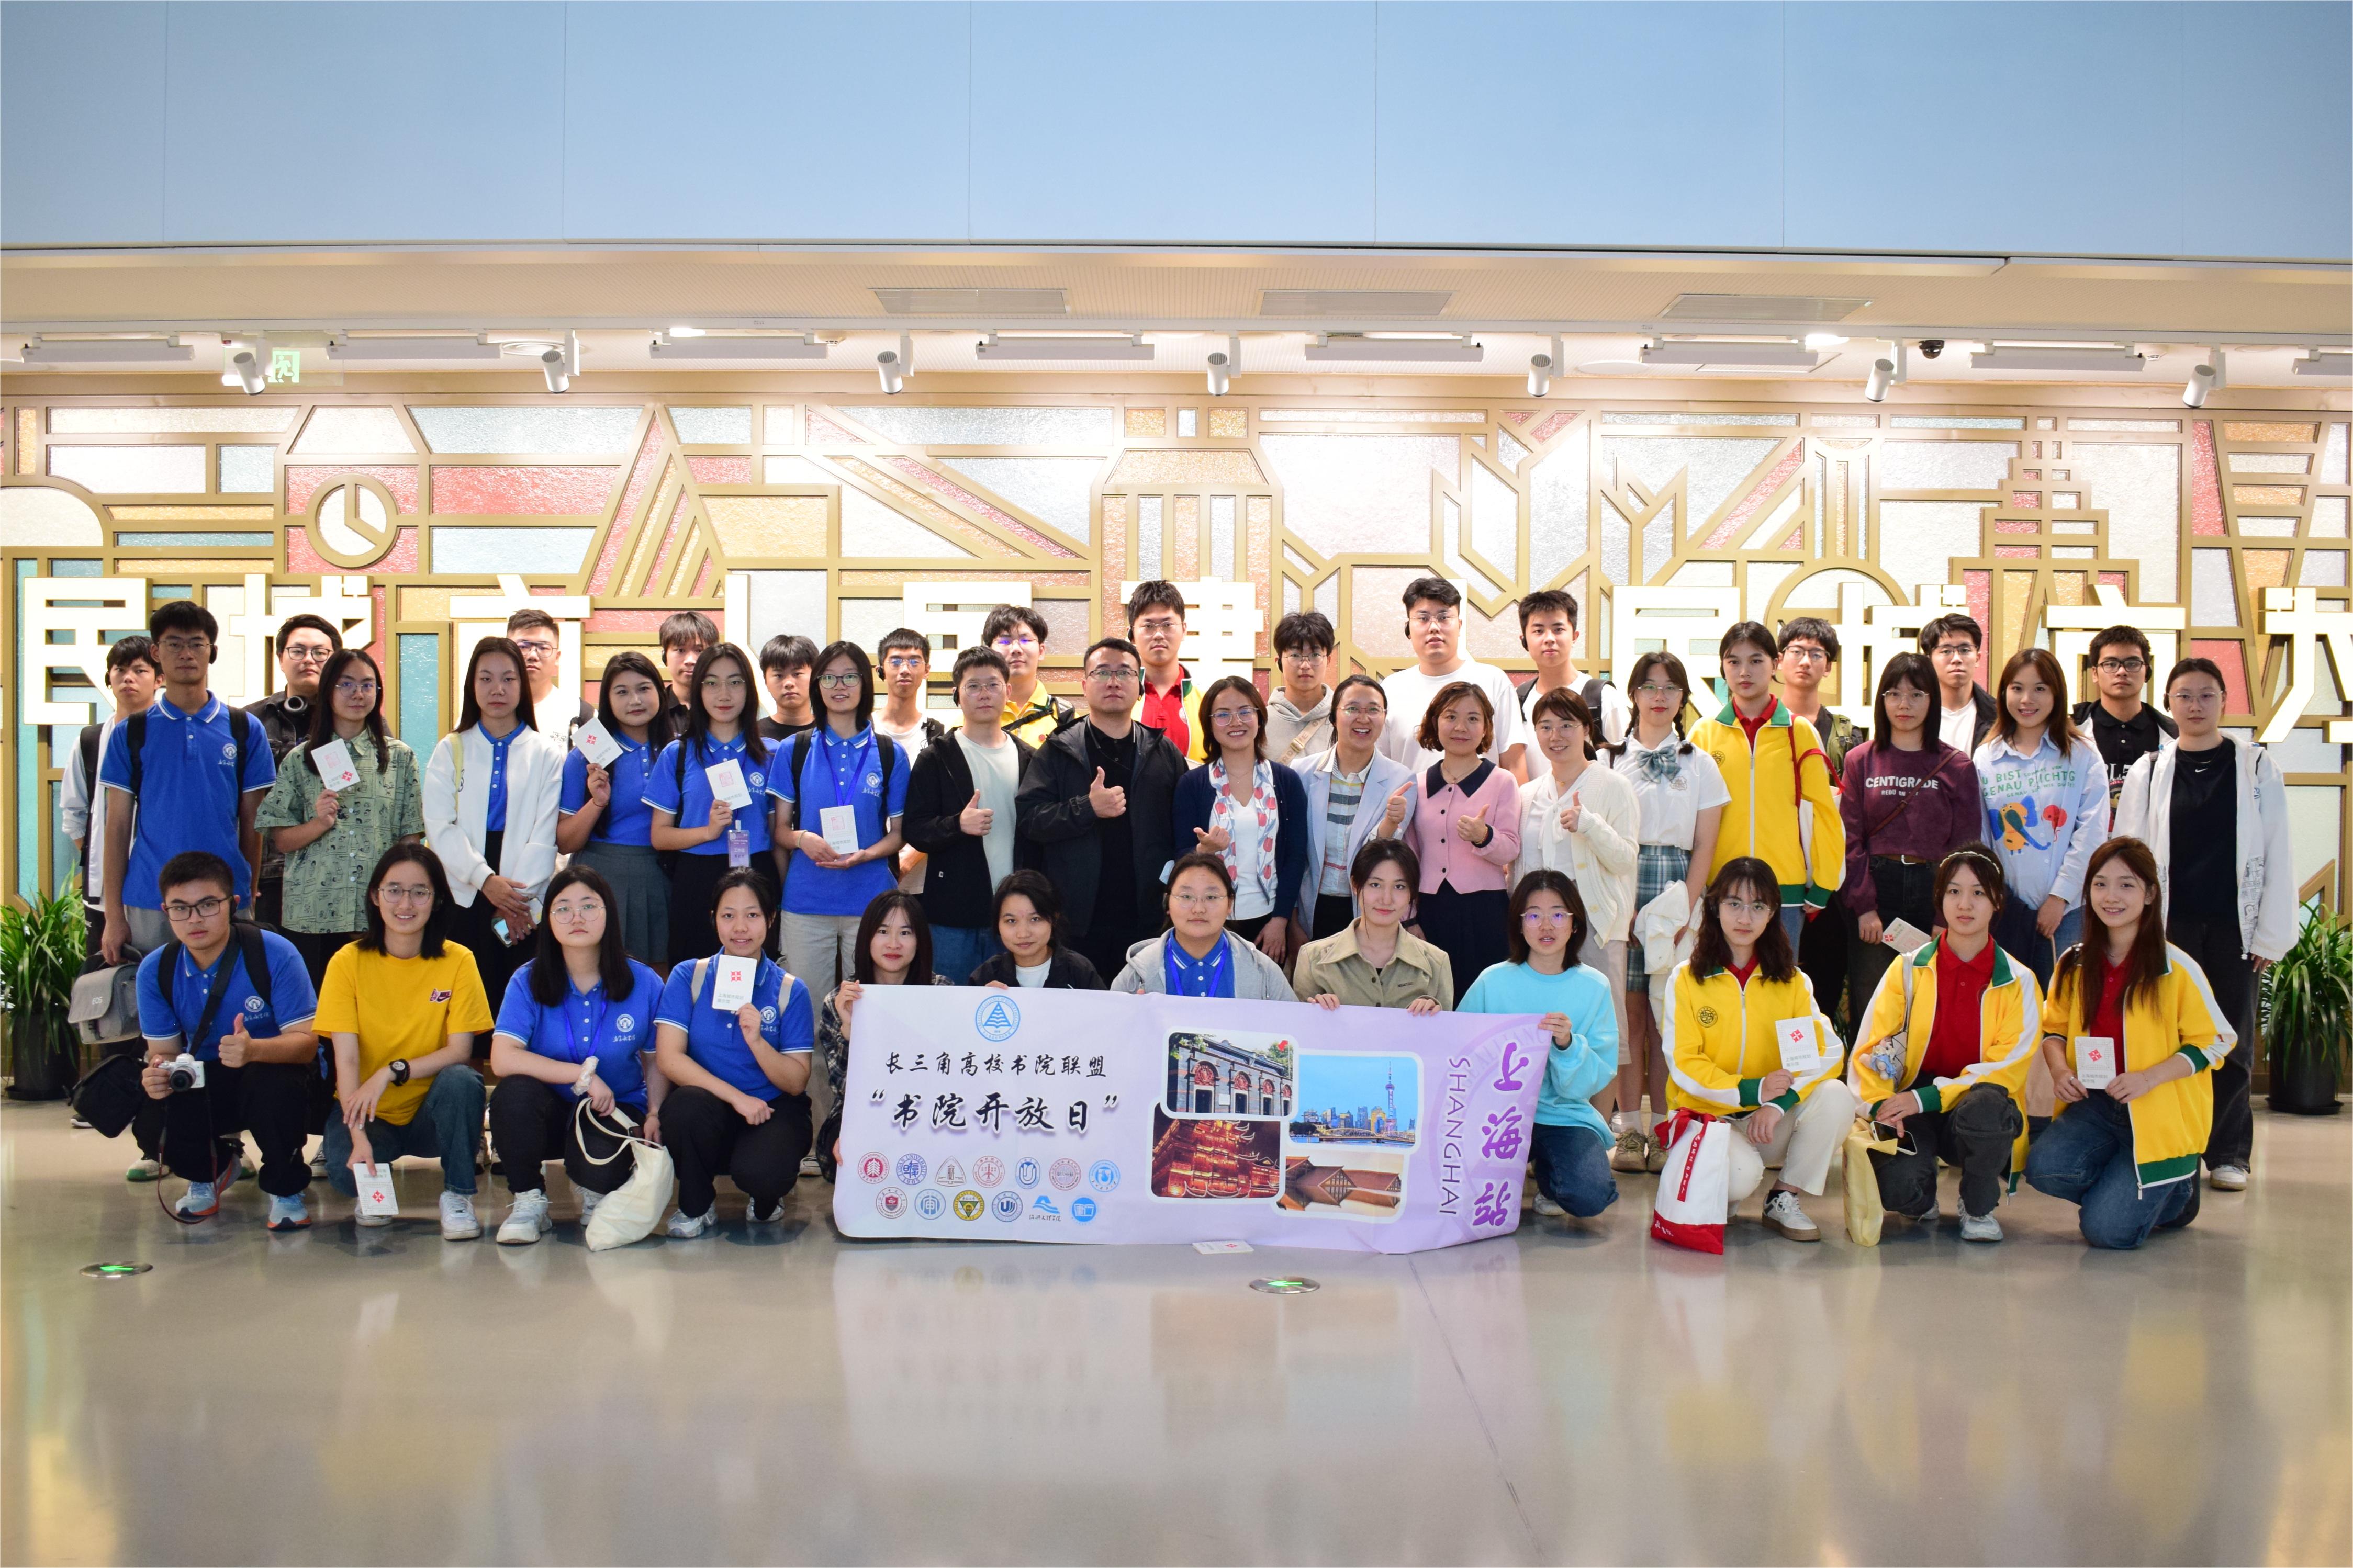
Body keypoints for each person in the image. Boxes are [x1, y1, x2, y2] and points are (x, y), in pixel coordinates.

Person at [2114, 657, 2294, 1193]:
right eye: (2184, 696)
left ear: (2223, 701)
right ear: (2168, 704)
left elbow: (2278, 848)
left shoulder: (2255, 765)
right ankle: (2175, 1147)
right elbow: (2126, 852)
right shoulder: (2149, 769)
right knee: (2165, 1040)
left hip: (2234, 926)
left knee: (2231, 1040)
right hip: (2167, 927)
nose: (2195, 706)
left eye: (2206, 695)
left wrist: (2270, 933)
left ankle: (2228, 1153)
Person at [2026, 837, 2232, 1247]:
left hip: (2157, 1110)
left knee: (2106, 1233)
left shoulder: (2177, 968)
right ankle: (2140, 1189)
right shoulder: (2074, 962)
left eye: (2127, 885)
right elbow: (2054, 1031)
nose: (2111, 896)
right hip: (2099, 1105)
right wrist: (2060, 1070)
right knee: (2042, 1167)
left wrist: (2148, 1078)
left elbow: (2215, 1042)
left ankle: (2176, 1191)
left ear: (2150, 894)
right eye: (2100, 884)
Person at [1849, 845, 2040, 1242]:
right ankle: (1921, 1197)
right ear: (1940, 898)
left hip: (1973, 1106)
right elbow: (1871, 1047)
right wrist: (1882, 1105)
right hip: (1912, 1105)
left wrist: (1926, 1099)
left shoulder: (2019, 981)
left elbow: (2006, 1070)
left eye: (1979, 893)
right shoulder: (1908, 969)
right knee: (1899, 1189)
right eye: (1954, 891)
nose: (1964, 904)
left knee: (1988, 1104)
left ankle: (1978, 1204)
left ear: (1997, 901)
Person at [1662, 856, 1856, 1242]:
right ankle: (1724, 1190)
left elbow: (1827, 1053)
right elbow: (1685, 1064)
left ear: (1772, 913)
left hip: (1767, 1123)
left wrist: (1777, 1103)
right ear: (1715, 907)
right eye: (1734, 903)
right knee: (1739, 1177)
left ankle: (1783, 1196)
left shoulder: (1792, 982)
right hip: (1707, 1117)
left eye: (1758, 906)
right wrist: (1752, 1090)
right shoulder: (1686, 978)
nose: (1745, 917)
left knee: (1836, 1096)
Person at [315, 844, 494, 1240]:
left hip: (432, 1111)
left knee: (463, 1080)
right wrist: (358, 1137)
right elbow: (346, 1060)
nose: (406, 904)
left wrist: (391, 1072)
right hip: (369, 1113)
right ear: (376, 896)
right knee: (346, 1173)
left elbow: (460, 1051)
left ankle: (458, 1195)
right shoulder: (347, 962)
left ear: (437, 899)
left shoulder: (459, 960)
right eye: (394, 890)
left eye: (420, 892)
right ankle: (373, 1189)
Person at [133, 851, 318, 1228]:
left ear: (232, 904)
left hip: (275, 1069)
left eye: (208, 905)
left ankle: (285, 1188)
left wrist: (254, 1049)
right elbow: (164, 1053)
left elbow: (306, 1043)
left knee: (273, 1084)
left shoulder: (274, 953)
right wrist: (157, 1072)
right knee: (155, 1111)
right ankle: (212, 1171)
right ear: (165, 911)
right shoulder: (156, 969)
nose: (195, 919)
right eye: (180, 908)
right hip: (206, 1075)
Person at [486, 865, 666, 1245]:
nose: (577, 917)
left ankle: (596, 1190)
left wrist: (654, 1113)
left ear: (609, 913)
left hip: (613, 1109)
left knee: (602, 1170)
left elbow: (655, 1059)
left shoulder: (644, 981)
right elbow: (502, 1059)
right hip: (546, 1111)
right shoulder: (527, 979)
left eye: (589, 906)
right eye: (563, 908)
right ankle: (529, 1200)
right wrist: (580, 1075)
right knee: (512, 1095)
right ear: (549, 919)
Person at [99, 599, 275, 962]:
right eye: (174, 643)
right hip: (150, 898)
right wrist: (114, 916)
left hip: (225, 898)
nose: (186, 653)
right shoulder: (131, 732)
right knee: (155, 995)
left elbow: (253, 823)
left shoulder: (245, 728)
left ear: (212, 652)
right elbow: (116, 827)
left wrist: (248, 890)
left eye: (197, 643)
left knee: (227, 995)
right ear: (156, 652)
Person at [1606, 652, 1729, 1172]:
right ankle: (1629, 1132)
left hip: (1678, 888)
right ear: (1633, 694)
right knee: (1628, 1016)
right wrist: (1621, 907)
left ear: (1683, 699)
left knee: (1666, 1019)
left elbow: (1705, 845)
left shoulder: (1700, 763)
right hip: (1621, 884)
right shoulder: (1608, 759)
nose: (1659, 697)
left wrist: (1684, 910)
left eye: (1670, 688)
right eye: (1649, 686)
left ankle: (1662, 1131)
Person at [1015, 636, 1186, 985]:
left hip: (1148, 917)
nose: (1113, 682)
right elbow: (1030, 820)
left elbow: (1182, 828)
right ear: (1085, 685)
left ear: (1139, 685)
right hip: (1075, 920)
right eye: (1102, 672)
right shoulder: (1058, 750)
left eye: (1124, 672)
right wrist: (1087, 808)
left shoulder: (1163, 752)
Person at [652, 868, 814, 1235]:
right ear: (714, 920)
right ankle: (696, 1204)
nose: (740, 927)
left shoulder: (791, 989)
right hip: (708, 1106)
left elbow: (795, 1082)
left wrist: (757, 1041)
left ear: (770, 919)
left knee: (765, 1172)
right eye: (728, 915)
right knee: (684, 1108)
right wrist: (737, 1098)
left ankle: (767, 1195)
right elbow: (669, 1058)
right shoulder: (689, 976)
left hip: (771, 1109)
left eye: (752, 915)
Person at [253, 648, 425, 988]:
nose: (357, 694)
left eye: (367, 685)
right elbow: (281, 840)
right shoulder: (300, 759)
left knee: (376, 1005)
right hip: (311, 911)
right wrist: (319, 823)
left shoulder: (399, 758)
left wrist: (405, 898)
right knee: (317, 1007)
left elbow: (410, 841)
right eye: (346, 684)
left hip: (377, 910)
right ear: (328, 690)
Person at [1457, 870, 1620, 1220]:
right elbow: (1459, 1048)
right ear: (1519, 924)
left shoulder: (1595, 986)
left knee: (1589, 1196)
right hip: (1497, 1116)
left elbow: (1598, 1074)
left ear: (1575, 924)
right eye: (1533, 915)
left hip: (1564, 1115)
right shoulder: (1492, 981)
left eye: (1558, 914)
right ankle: (1519, 1169)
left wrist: (1568, 1045)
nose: (1546, 926)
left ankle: (1548, 1176)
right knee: (1463, 1191)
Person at [1837, 651, 1985, 1033]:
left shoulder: (1957, 766)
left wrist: (1944, 915)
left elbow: (1966, 849)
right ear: (1882, 700)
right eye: (1895, 694)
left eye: (1917, 694)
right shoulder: (1860, 760)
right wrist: (1864, 907)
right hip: (1876, 887)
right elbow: (1850, 839)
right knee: (1873, 1004)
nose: (1905, 705)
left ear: (1932, 701)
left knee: (1930, 1002)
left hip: (1934, 888)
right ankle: (1868, 1074)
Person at [62, 635, 163, 1172]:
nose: (129, 677)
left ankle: (188, 1136)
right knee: (118, 1009)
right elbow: (76, 816)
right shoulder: (90, 741)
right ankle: (124, 1111)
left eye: (140, 669)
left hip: (166, 897)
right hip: (108, 898)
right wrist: (111, 877)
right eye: (120, 669)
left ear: (159, 678)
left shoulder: (171, 733)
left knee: (171, 1013)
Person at [1510, 688, 1638, 1110]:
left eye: (1567, 725)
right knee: (1543, 1026)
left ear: (1586, 728)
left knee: (1603, 1033)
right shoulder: (1529, 792)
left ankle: (1598, 1130)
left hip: (1595, 929)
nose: (1556, 735)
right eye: (1545, 726)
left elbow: (1626, 859)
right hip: (1541, 933)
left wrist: (1590, 825)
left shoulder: (1614, 786)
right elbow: (1521, 868)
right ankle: (1541, 1125)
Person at [422, 636, 564, 1013]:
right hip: (463, 887)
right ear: (472, 685)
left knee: (519, 1000)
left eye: (508, 679)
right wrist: (485, 880)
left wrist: (515, 902)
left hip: (523, 895)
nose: (497, 689)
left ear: (522, 685)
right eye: (486, 678)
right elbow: (439, 826)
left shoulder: (546, 753)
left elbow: (545, 832)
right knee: (462, 1001)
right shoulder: (450, 748)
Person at [1688, 621, 1845, 949]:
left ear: (1775, 663)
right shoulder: (1704, 733)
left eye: (1756, 661)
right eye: (1734, 661)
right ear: (1723, 667)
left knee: (1779, 978)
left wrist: (1824, 883)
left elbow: (1823, 811)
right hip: (1720, 888)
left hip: (1784, 889)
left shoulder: (1799, 731)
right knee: (1718, 978)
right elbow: (1689, 817)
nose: (1744, 672)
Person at [769, 639, 910, 1002]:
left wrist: (866, 854)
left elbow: (899, 834)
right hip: (806, 900)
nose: (839, 686)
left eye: (850, 676)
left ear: (865, 683)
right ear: (817, 686)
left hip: (871, 902)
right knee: (806, 1007)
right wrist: (802, 839)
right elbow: (779, 830)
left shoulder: (890, 753)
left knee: (866, 1006)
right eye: (829, 678)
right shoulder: (794, 749)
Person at [1974, 646, 2108, 992]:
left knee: (2063, 1005)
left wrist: (2059, 898)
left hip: (2068, 912)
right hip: (2005, 909)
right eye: (2017, 688)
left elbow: (2091, 834)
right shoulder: (1986, 757)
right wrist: (1997, 898)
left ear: (2057, 694)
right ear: (2003, 693)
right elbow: (1983, 838)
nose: (2026, 699)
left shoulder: (2082, 754)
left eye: (2040, 689)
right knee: (2007, 1003)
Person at [903, 647, 1034, 984]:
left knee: (1012, 1006)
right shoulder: (937, 757)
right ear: (957, 695)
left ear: (1008, 690)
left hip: (1017, 914)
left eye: (993, 684)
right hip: (953, 915)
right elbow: (914, 829)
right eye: (973, 686)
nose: (984, 694)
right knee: (950, 1003)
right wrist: (957, 825)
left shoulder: (1030, 758)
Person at [647, 642, 776, 972]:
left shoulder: (772, 754)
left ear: (749, 689)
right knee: (698, 978)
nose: (724, 694)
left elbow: (779, 834)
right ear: (698, 690)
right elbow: (660, 836)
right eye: (712, 683)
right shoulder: (678, 754)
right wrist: (708, 831)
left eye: (735, 682)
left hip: (758, 873)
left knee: (758, 979)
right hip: (697, 877)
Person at [813, 890, 954, 1175]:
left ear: (920, 941)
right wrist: (850, 1029)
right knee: (844, 1149)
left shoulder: (943, 992)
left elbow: (954, 1076)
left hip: (929, 1109)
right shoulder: (840, 1000)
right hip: (865, 1109)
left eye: (905, 933)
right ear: (866, 938)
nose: (893, 944)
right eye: (882, 931)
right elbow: (844, 1089)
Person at [1173, 676, 1311, 963]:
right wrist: (1203, 851)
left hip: (1268, 921)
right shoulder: (1192, 784)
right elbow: (1179, 855)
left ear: (1260, 718)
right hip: (1209, 919)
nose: (1236, 722)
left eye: (1245, 712)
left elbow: (1296, 856)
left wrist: (1281, 920)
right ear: (1210, 725)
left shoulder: (1286, 781)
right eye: (1223, 715)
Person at [556, 650, 675, 970]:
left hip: (665, 876)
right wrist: (597, 803)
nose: (635, 700)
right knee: (602, 975)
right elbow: (565, 842)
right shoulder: (587, 754)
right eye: (621, 692)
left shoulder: (679, 749)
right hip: (601, 877)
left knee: (661, 978)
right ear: (607, 700)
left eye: (644, 689)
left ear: (660, 692)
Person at [1402, 682, 1521, 997]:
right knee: (1430, 998)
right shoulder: (1418, 784)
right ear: (1435, 722)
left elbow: (1511, 848)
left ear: (1486, 728)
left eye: (1473, 719)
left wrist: (1484, 837)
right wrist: (1409, 917)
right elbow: (1409, 859)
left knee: (1483, 998)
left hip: (1485, 910)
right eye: (1451, 717)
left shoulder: (1502, 781)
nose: (1461, 727)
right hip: (1430, 909)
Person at [1776, 617, 1865, 1033]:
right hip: (1778, 873)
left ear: (1829, 666)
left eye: (1817, 653)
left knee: (1827, 983)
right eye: (1796, 651)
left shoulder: (1848, 735)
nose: (1805, 661)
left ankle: (1824, 1062)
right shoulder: (1764, 727)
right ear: (1779, 660)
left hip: (1830, 881)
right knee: (1776, 979)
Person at [1292, 674, 1415, 945]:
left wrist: (1390, 823)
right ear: (1334, 717)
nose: (1363, 718)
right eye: (1352, 709)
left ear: (1384, 717)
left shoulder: (1401, 780)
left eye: (1373, 710)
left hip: (1367, 907)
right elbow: (1292, 851)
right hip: (1311, 905)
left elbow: (1380, 857)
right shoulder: (1302, 772)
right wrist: (1291, 918)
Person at [244, 613, 342, 930]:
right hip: (266, 877)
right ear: (280, 659)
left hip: (337, 874)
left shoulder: (357, 722)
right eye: (297, 651)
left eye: (320, 653)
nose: (308, 660)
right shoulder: (250, 722)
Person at [1295, 839, 1454, 1013]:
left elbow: (1446, 1030)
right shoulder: (1313, 958)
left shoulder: (1436, 963)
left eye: (1399, 887)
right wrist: (1316, 1012)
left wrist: (1433, 1018)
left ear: (1412, 893)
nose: (1386, 899)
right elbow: (1300, 1028)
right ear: (1356, 885)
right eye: (1375, 885)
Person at [1110, 853, 1298, 999]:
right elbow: (1111, 1030)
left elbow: (1293, 1030)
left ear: (1230, 904)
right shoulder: (1137, 973)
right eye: (1186, 897)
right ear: (1167, 903)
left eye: (1211, 897)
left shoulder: (1263, 970)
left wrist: (1315, 1013)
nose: (1198, 909)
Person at [1380, 576, 1519, 771]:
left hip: (1484, 793)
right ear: (1408, 628)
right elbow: (1380, 767)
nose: (1434, 627)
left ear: (1460, 625)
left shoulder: (1494, 681)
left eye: (1444, 617)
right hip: (1411, 793)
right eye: (1423, 618)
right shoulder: (1391, 689)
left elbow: (1514, 764)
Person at [1513, 588, 1628, 763]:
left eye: (1558, 629)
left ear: (1575, 636)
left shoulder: (1602, 697)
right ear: (1524, 640)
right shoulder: (1517, 700)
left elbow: (1626, 762)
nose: (1549, 639)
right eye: (1539, 631)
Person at [875, 627, 948, 896]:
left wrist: (908, 859)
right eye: (895, 661)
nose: (904, 669)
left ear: (927, 670)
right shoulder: (862, 730)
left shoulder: (939, 734)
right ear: (881, 670)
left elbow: (943, 807)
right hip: (869, 867)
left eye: (914, 661)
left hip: (922, 875)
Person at [2073, 624, 2176, 813]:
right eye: (2111, 664)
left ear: (2147, 672)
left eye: (2132, 664)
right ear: (2095, 673)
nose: (2122, 671)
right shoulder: (2071, 732)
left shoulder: (2173, 735)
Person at [971, 870, 1107, 989]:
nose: (1023, 934)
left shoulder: (1079, 971)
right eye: (1011, 921)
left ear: (1054, 919)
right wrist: (982, 1001)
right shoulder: (987, 975)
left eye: (1035, 919)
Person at [1126, 581, 1205, 760]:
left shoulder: (1207, 704)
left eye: (1168, 625)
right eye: (1148, 626)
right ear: (1132, 634)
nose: (1159, 634)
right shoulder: (1119, 701)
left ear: (1184, 630)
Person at [985, 604, 1075, 745]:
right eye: (1005, 641)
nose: (1016, 649)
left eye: (1025, 641)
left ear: (1041, 651)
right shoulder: (975, 714)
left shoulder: (1065, 716)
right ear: (989, 652)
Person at [507, 605, 592, 742]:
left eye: (543, 648)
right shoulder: (488, 708)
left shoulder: (581, 713)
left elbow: (604, 756)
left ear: (557, 657)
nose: (533, 655)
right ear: (506, 652)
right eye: (523, 647)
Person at [1920, 612, 1997, 754]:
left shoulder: (1999, 715)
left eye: (1965, 650)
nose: (1956, 659)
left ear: (1978, 658)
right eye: (1946, 651)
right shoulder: (1914, 713)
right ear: (1929, 660)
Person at [1267, 610, 1338, 763]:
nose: (1305, 665)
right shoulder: (1260, 723)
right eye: (1295, 655)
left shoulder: (1343, 719)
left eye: (1315, 655)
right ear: (1279, 662)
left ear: (1328, 660)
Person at [659, 610, 719, 733]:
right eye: (681, 650)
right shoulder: (653, 709)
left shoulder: (726, 707)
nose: (690, 661)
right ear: (665, 657)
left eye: (699, 651)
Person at [756, 633, 820, 743]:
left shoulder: (830, 732)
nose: (789, 683)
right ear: (766, 681)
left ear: (815, 676)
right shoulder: (754, 736)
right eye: (779, 676)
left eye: (797, 674)